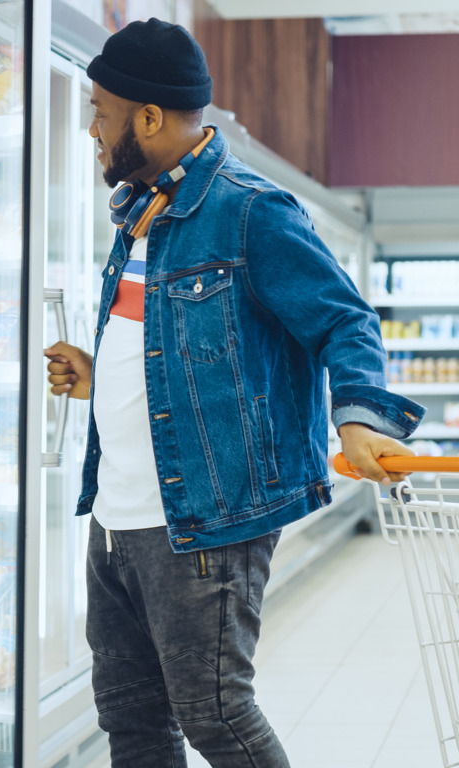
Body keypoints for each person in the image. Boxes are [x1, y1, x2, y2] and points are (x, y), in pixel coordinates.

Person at [44, 17, 425, 768]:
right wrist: (103, 376)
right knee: (129, 715)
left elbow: (345, 322)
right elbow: (167, 342)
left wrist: (358, 418)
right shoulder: (138, 212)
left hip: (205, 519)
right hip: (116, 516)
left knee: (214, 713)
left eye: (100, 111)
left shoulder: (251, 210)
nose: (91, 127)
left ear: (148, 118)